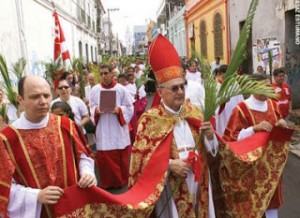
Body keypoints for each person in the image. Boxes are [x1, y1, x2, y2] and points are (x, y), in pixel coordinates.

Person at [129, 34, 218, 217]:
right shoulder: (150, 119)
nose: (180, 92)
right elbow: (140, 160)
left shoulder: (195, 112)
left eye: (182, 86)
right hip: (171, 185)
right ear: (160, 92)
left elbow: (213, 150)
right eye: (174, 88)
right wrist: (169, 165)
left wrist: (210, 136)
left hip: (198, 180)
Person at [0, 75, 96, 218]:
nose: (43, 102)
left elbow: (83, 157)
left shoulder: (66, 125)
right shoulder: (7, 139)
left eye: (46, 95)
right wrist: (36, 196)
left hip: (73, 207)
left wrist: (87, 173)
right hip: (39, 212)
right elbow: (5, 187)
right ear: (20, 99)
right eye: (35, 97)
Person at [223, 73, 288, 218]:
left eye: (268, 85)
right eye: (263, 86)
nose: (268, 89)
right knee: (251, 207)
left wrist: (281, 125)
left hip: (270, 168)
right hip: (250, 169)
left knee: (271, 204)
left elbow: (277, 132)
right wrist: (253, 129)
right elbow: (230, 139)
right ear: (252, 88)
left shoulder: (273, 104)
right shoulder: (241, 109)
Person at [89, 65, 134, 189]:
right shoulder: (95, 90)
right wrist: (95, 110)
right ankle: (107, 183)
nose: (103, 76)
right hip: (103, 128)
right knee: (104, 157)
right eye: (101, 73)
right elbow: (91, 106)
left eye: (106, 73)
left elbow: (130, 107)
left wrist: (119, 110)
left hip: (117, 128)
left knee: (120, 156)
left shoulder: (121, 89)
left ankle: (121, 182)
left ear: (112, 74)